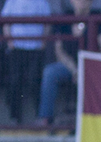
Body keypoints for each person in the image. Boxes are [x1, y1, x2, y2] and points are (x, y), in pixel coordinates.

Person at [36, 0, 97, 128]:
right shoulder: (65, 19)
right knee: (50, 72)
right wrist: (75, 71)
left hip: (92, 66)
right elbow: (59, 51)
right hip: (70, 66)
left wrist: (87, 68)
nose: (81, 2)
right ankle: (45, 117)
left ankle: (95, 120)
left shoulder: (99, 17)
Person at [0, 0, 50, 125]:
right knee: (15, 81)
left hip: (35, 47)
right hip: (17, 47)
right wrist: (10, 41)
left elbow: (47, 22)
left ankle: (40, 116)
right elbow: (5, 21)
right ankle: (15, 117)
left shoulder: (42, 1)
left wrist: (43, 42)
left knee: (35, 81)